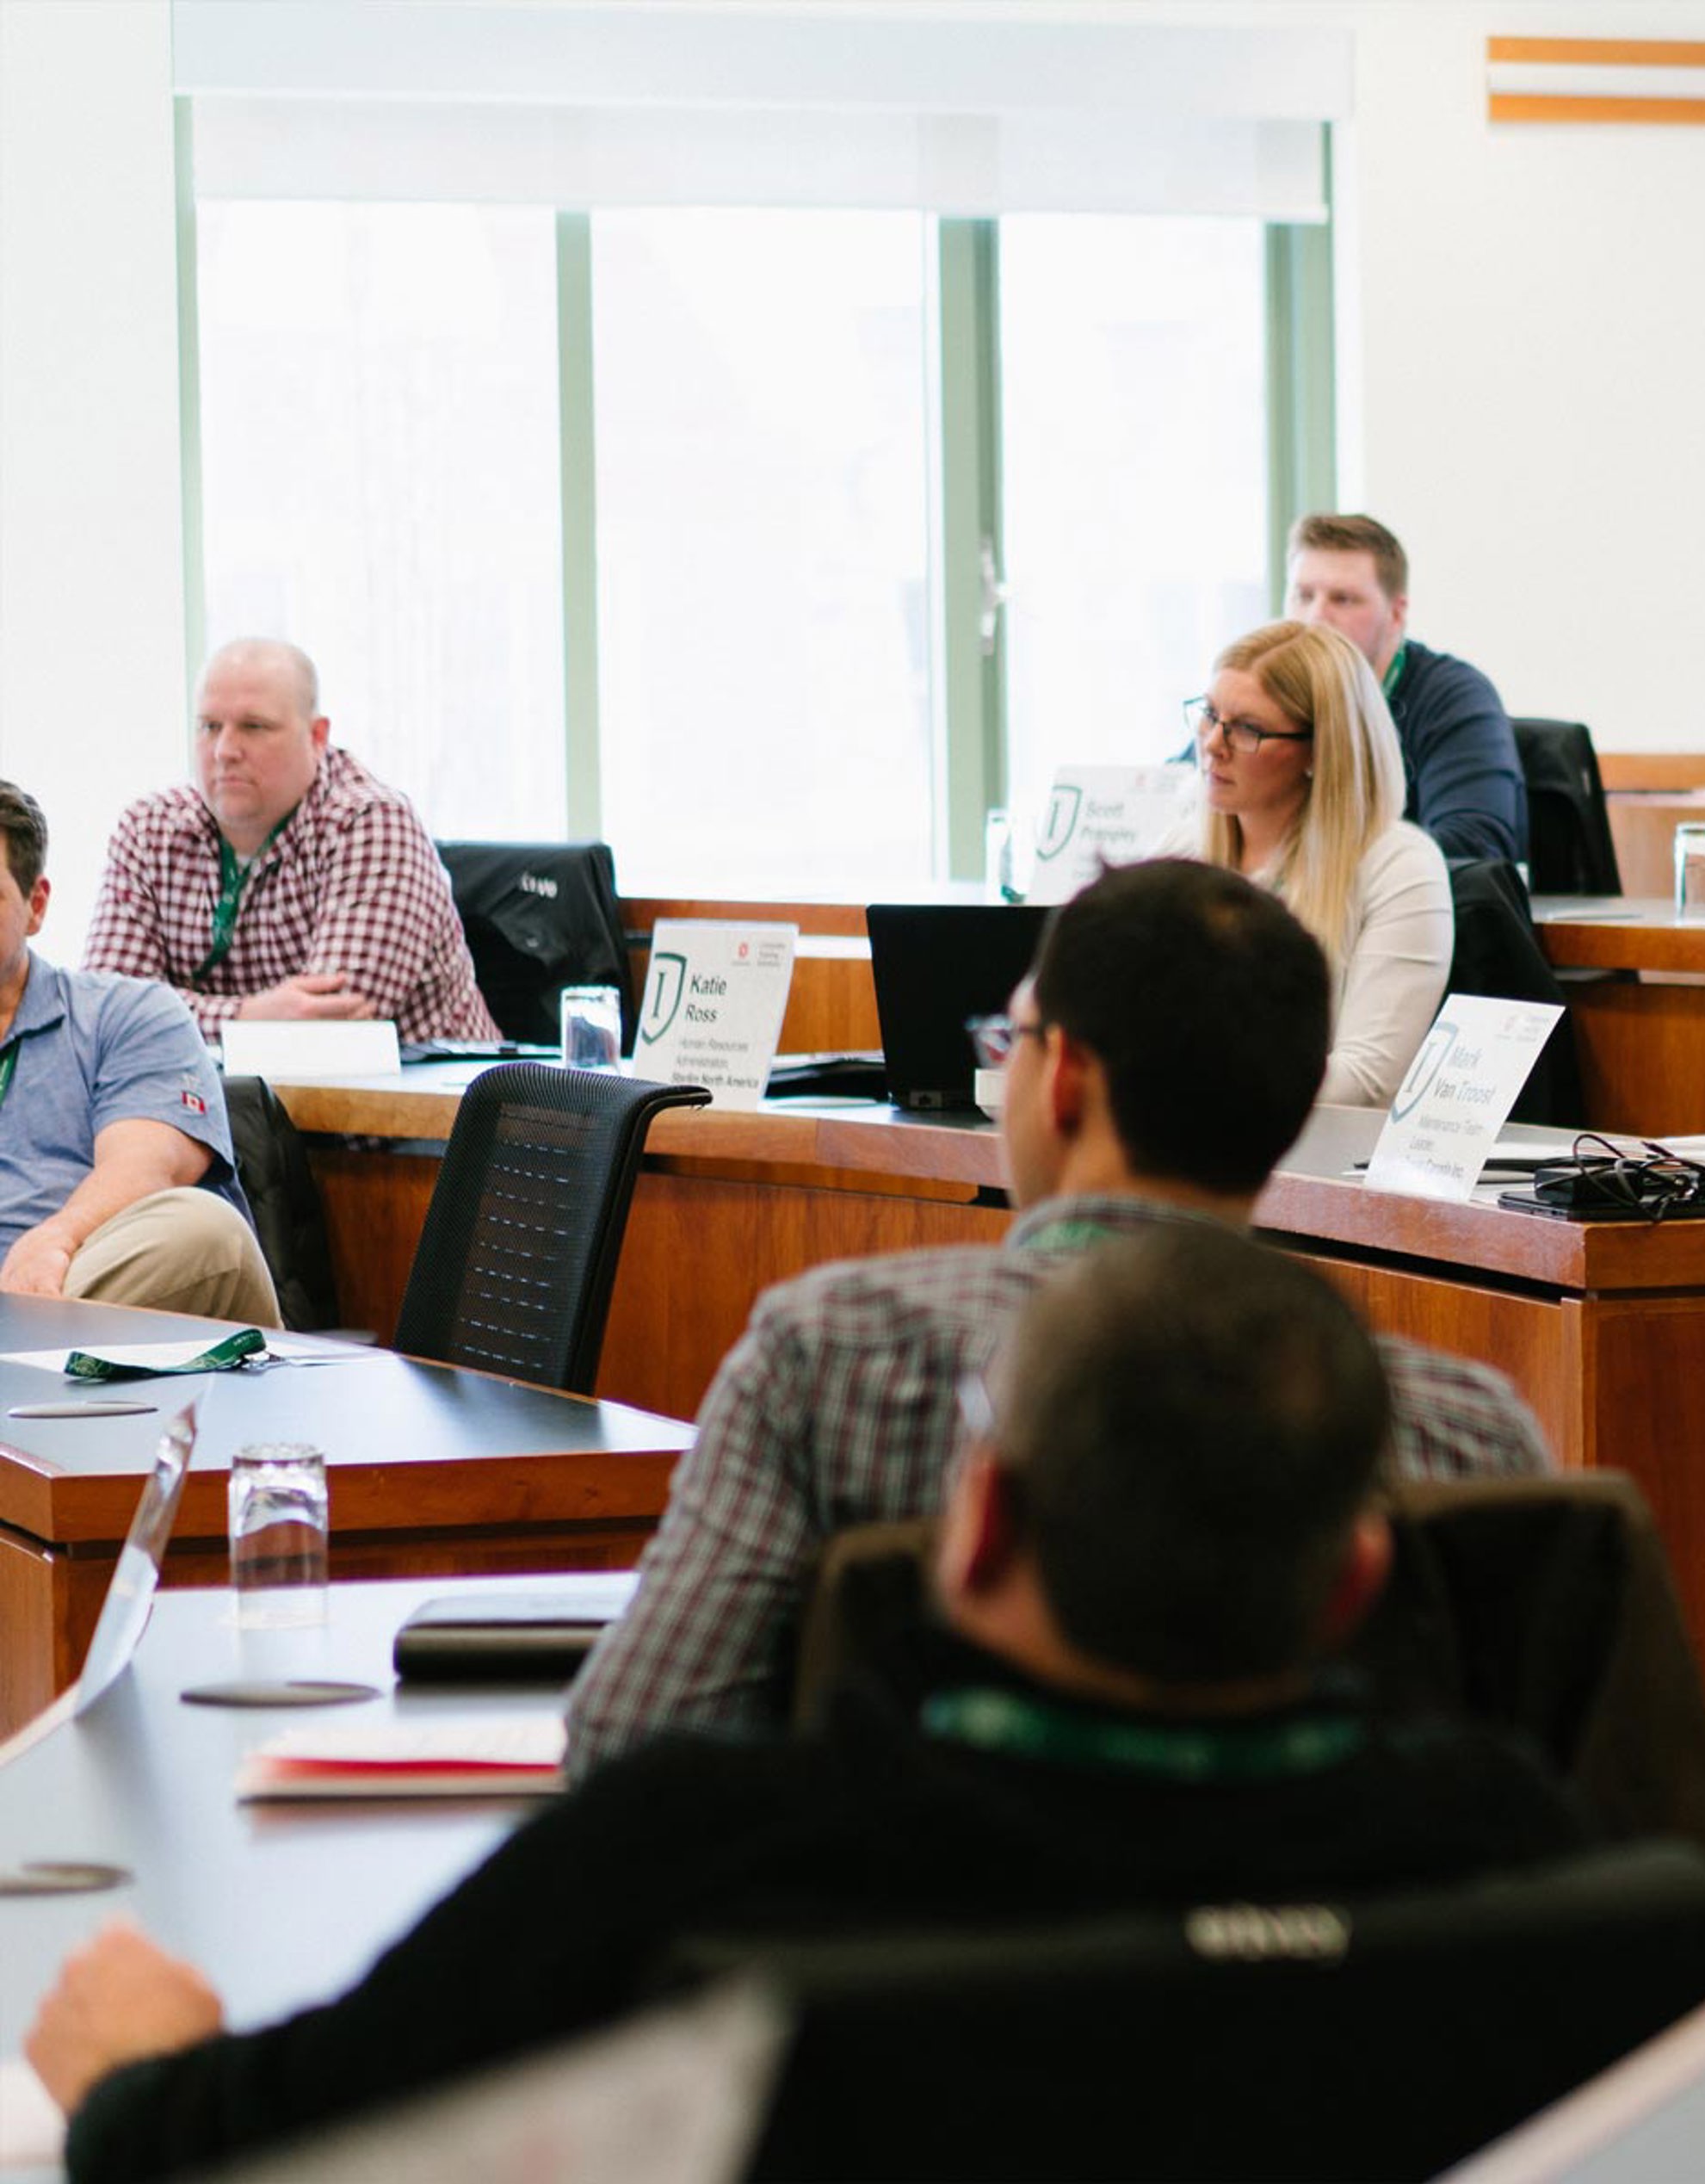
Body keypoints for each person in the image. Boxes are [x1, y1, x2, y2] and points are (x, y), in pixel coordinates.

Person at [26, 1227, 1597, 2181]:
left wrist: (138, 2073)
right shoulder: (1543, 1879)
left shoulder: (700, 1857)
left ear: (972, 1529)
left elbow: (251, 2155)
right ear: (1355, 1580)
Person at [564, 856, 1544, 1773]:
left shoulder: (832, 1358)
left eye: (1014, 1036)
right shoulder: (1471, 1428)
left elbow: (633, 1745)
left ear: (1064, 1076)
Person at [80, 639, 497, 1043]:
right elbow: (104, 1014)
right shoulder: (149, 830)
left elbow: (329, 1029)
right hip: (231, 1104)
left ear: (317, 737)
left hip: (424, 1106)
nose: (225, 750)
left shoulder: (371, 821)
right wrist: (247, 1017)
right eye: (209, 727)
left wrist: (174, 1017)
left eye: (254, 727)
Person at [0, 780, 280, 1321]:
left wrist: (54, 1239)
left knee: (204, 1231)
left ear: (35, 906)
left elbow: (147, 1168)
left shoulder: (126, 1015)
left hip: (70, 1278)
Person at [1185, 619, 1455, 1109]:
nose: (1211, 744)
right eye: (1209, 713)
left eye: (1247, 728)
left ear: (1320, 751)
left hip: (1309, 1163)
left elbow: (1368, 1079)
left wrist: (1195, 1094)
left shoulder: (1399, 865)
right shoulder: (1181, 846)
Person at [1287, 511, 1529, 869]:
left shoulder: (1453, 696)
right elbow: (1183, 800)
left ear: (1396, 614)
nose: (1315, 617)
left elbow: (1472, 845)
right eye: (1304, 596)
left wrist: (1311, 863)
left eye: (1343, 599)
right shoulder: (1267, 690)